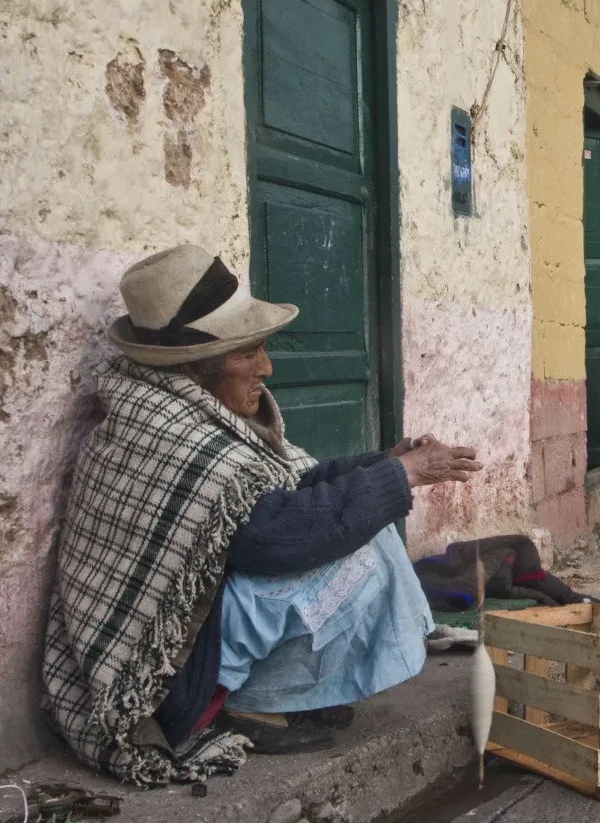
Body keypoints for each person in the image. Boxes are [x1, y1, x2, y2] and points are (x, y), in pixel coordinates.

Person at [41, 245, 485, 785]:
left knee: (367, 518)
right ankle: (243, 703)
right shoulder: (171, 437)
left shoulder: (180, 410)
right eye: (247, 353)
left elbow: (285, 489)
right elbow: (274, 535)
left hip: (199, 641)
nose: (265, 368)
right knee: (360, 550)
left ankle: (280, 692)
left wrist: (384, 463)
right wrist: (402, 476)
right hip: (172, 686)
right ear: (195, 367)